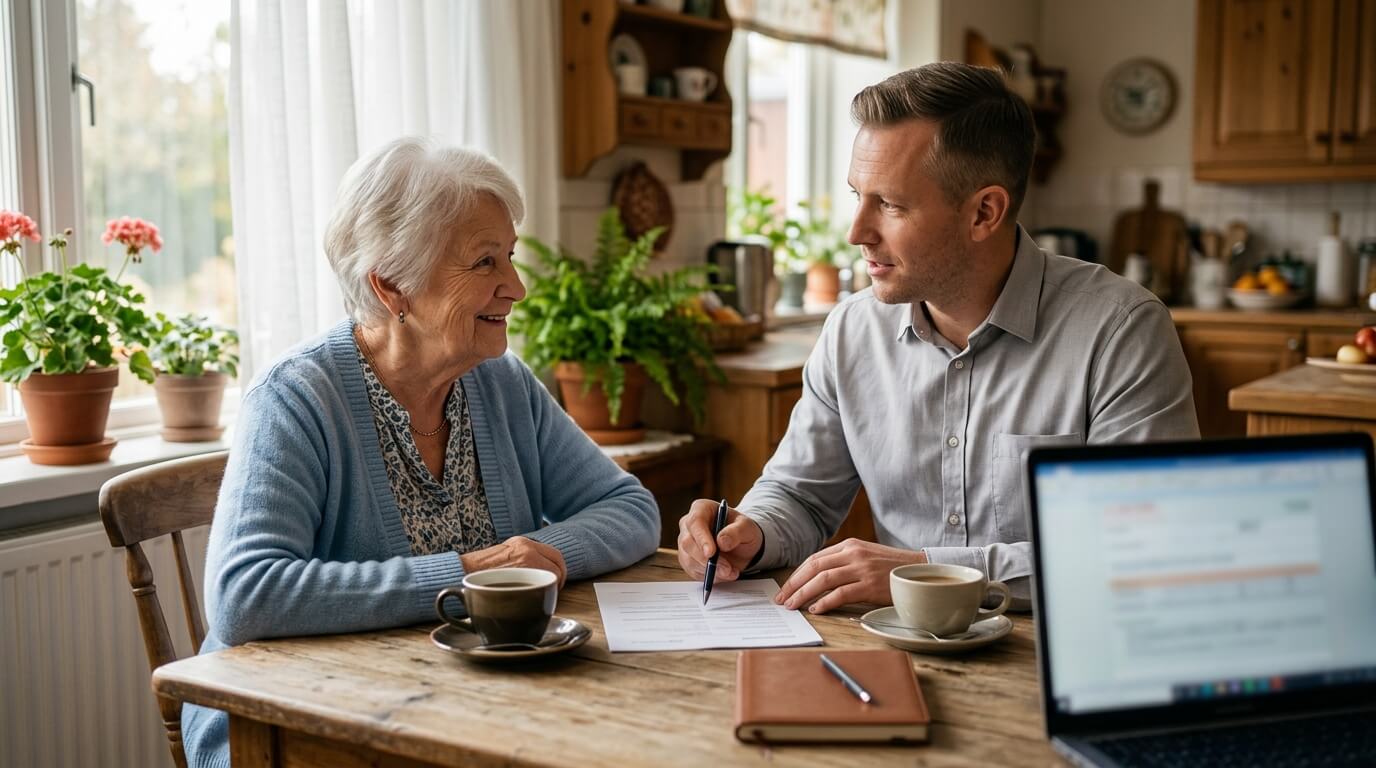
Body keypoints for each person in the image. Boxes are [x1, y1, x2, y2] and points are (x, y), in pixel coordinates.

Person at [183, 137, 660, 768]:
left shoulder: (501, 383)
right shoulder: (298, 398)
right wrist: (469, 575)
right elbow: (247, 594)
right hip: (293, 725)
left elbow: (630, 508)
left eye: (510, 257)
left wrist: (541, 557)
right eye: (485, 263)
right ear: (392, 287)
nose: (515, 286)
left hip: (457, 709)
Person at [676, 62, 1198, 616]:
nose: (856, 232)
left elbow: (1143, 544)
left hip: (1067, 649)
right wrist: (748, 533)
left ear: (984, 212)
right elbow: (800, 494)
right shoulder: (852, 330)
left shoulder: (1121, 330)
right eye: (858, 195)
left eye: (891, 205)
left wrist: (926, 572)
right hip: (891, 652)